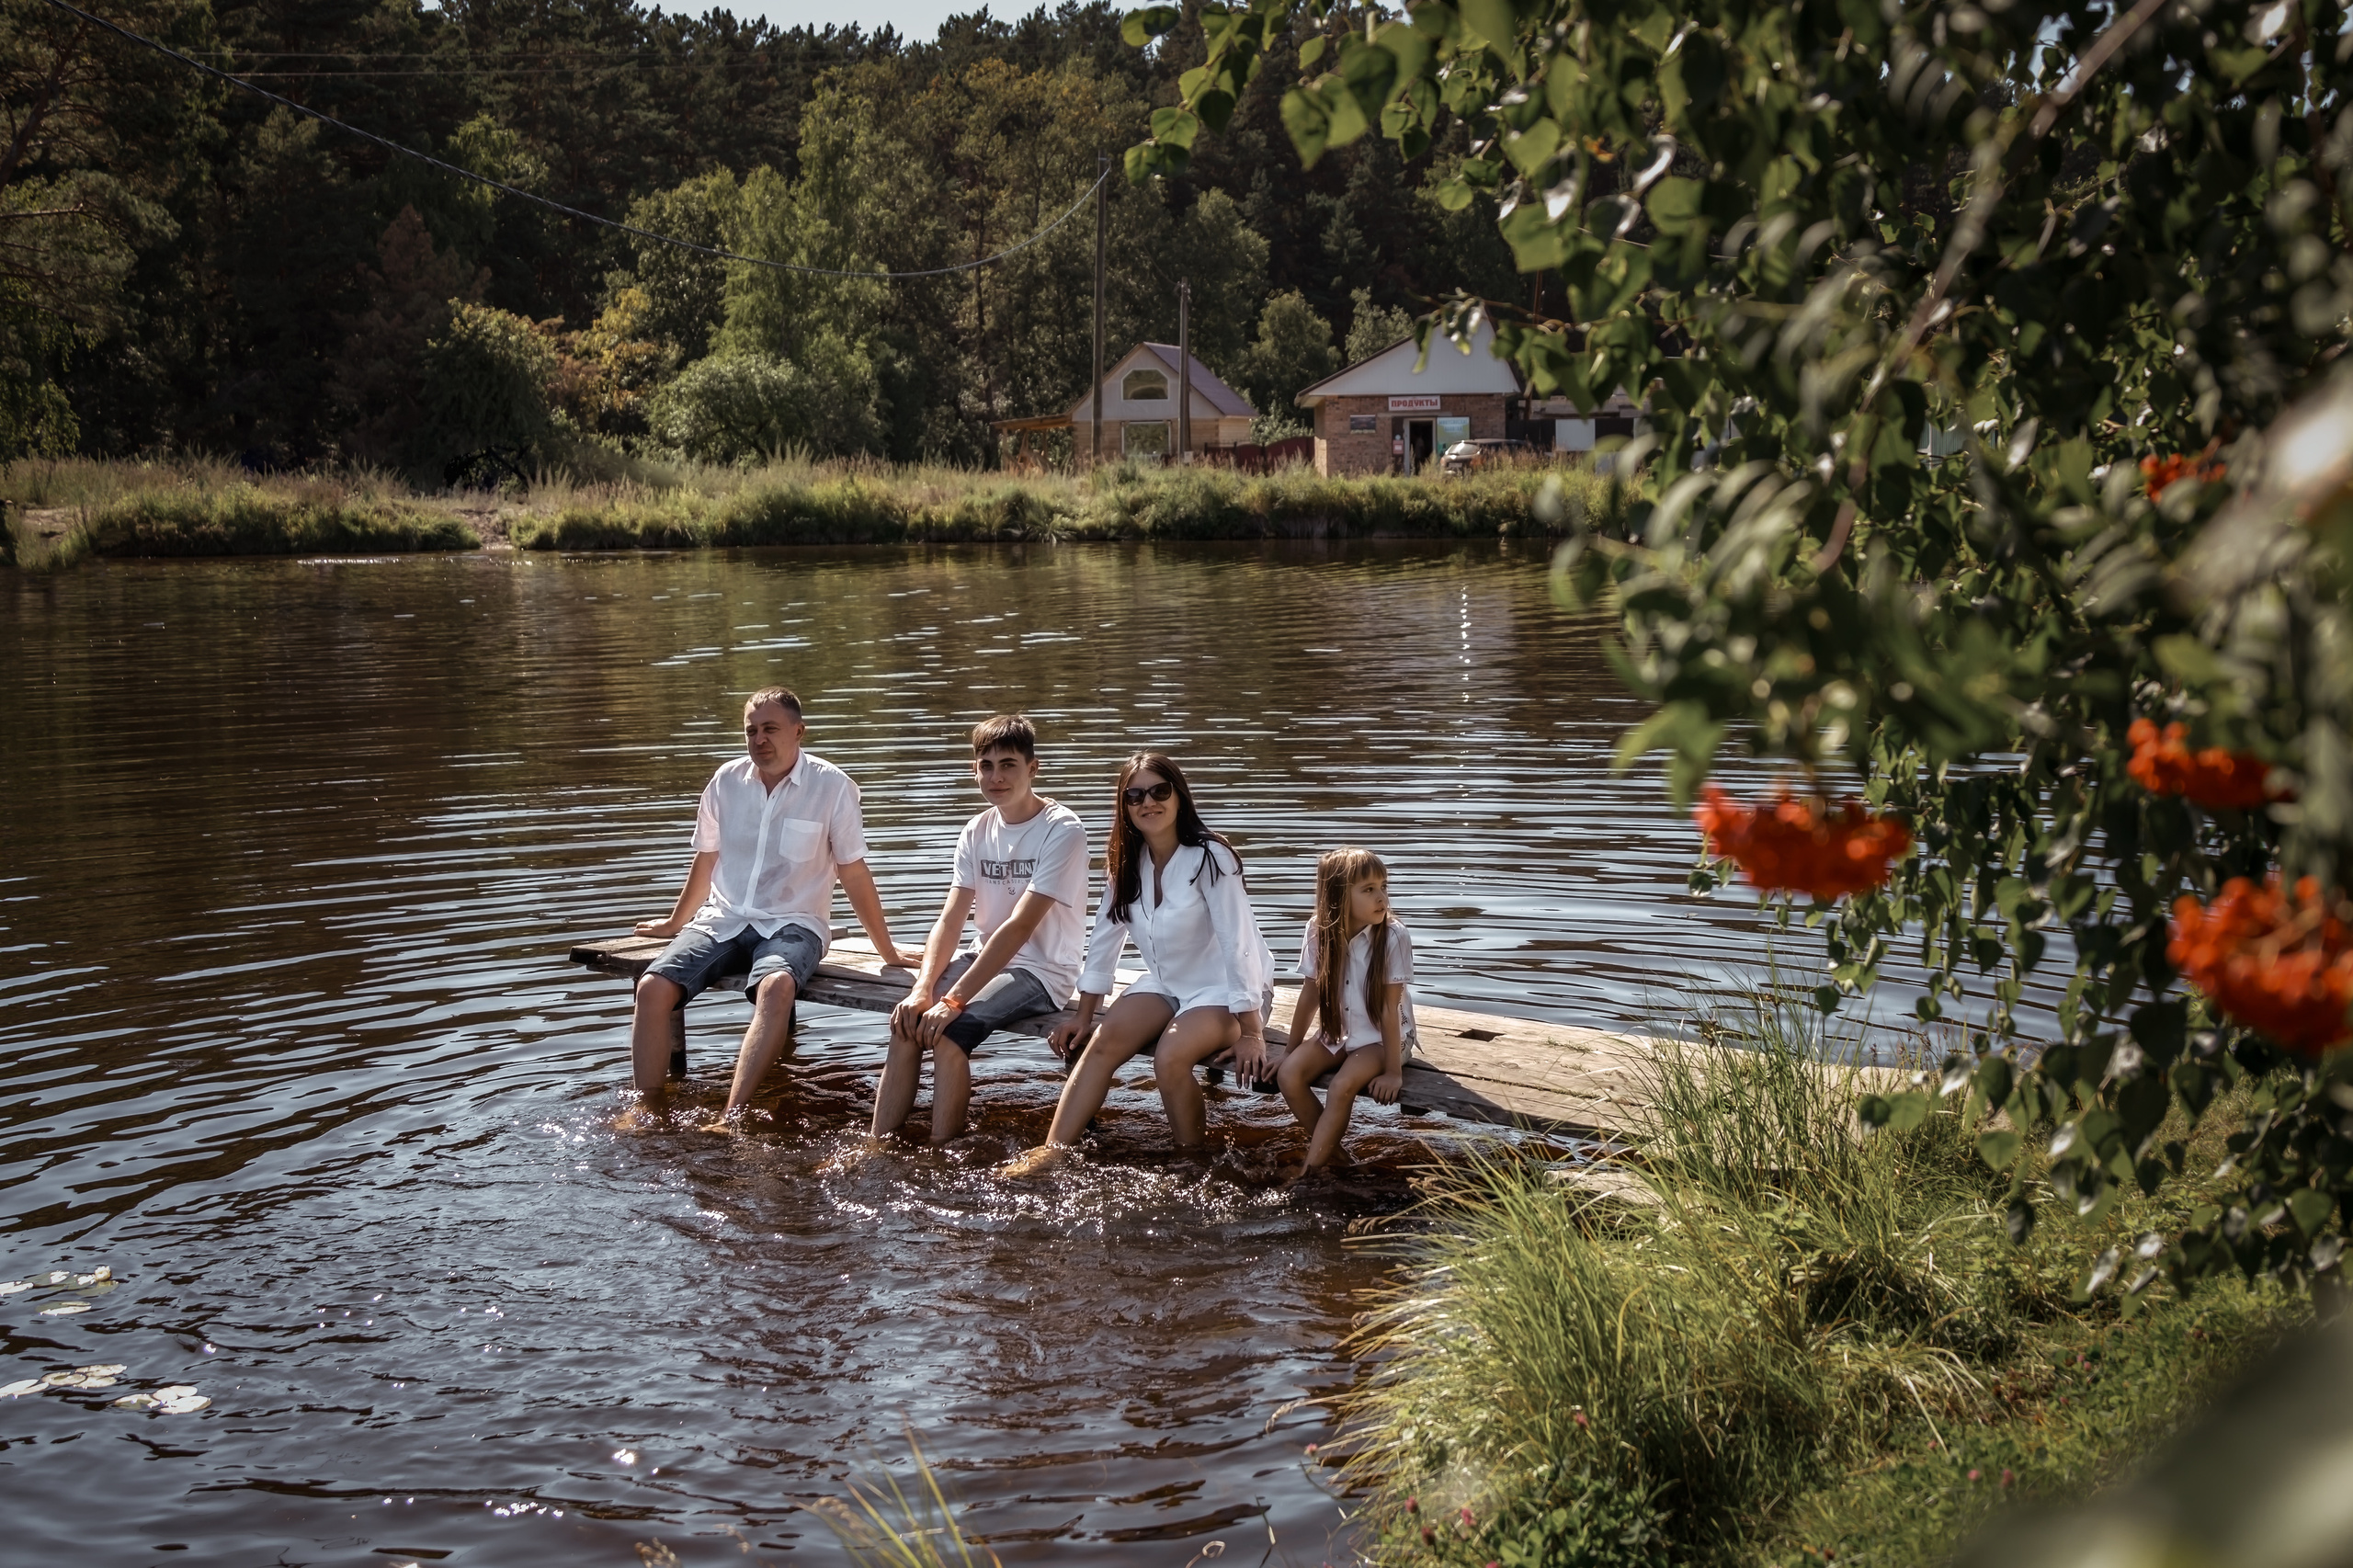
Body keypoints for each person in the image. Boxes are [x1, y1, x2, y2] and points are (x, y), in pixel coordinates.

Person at [628, 687, 909, 1127]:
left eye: (770, 729)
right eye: (752, 731)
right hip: (724, 918)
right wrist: (674, 922)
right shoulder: (725, 782)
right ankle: (645, 1108)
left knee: (776, 987)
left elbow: (854, 874)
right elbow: (707, 858)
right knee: (651, 988)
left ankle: (730, 1116)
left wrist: (888, 953)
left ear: (799, 732)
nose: (760, 739)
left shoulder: (832, 787)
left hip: (794, 923)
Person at [1003, 752, 1273, 1174]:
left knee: (1170, 1057)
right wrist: (1084, 1014)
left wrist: (1253, 1032)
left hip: (1228, 988)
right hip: (1166, 983)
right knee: (1100, 1044)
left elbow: (1238, 942)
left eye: (1159, 791)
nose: (1148, 802)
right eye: (1135, 795)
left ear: (1179, 796)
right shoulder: (1126, 862)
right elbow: (1105, 940)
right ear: (1125, 806)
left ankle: (1191, 1166)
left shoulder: (1211, 857)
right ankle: (1052, 1151)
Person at [871, 714, 1088, 1145]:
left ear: (1033, 768)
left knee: (951, 1034)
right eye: (985, 765)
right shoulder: (977, 829)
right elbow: (951, 918)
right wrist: (923, 989)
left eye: (1008, 764)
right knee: (907, 1022)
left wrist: (952, 1000)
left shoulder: (1063, 830)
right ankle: (877, 1145)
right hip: (985, 959)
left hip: (1043, 971)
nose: (996, 776)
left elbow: (1020, 926)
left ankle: (941, 1151)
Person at [1276, 846, 1419, 1176]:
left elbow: (1388, 1008)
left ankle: (1308, 1174)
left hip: (1382, 1040)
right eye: (1368, 890)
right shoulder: (1318, 929)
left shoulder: (1394, 936)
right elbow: (1310, 992)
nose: (1381, 897)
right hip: (1338, 1032)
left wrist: (1393, 1072)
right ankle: (1334, 1156)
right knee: (1289, 1075)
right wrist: (1289, 1049)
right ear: (1339, 896)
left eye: (1383, 886)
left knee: (1341, 1087)